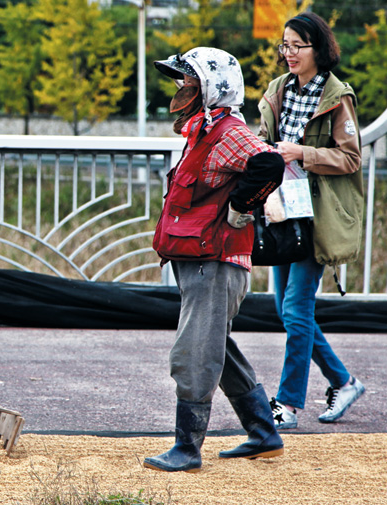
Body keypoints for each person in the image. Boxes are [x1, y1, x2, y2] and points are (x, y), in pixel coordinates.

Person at [145, 47, 285, 473]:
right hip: (202, 262)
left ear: (210, 86)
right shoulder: (203, 131)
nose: (180, 88)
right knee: (214, 347)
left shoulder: (227, 131)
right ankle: (263, 432)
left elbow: (269, 161)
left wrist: (241, 206)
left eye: (187, 80)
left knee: (193, 354)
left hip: (217, 262)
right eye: (179, 80)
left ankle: (186, 449)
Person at [258, 12, 365, 430]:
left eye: (297, 46)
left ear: (318, 49)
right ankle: (343, 380)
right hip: (281, 210)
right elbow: (265, 143)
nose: (289, 54)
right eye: (284, 46)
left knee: (296, 310)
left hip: (316, 216)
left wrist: (303, 152)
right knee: (288, 312)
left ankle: (287, 404)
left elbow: (352, 158)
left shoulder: (338, 96)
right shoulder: (277, 91)